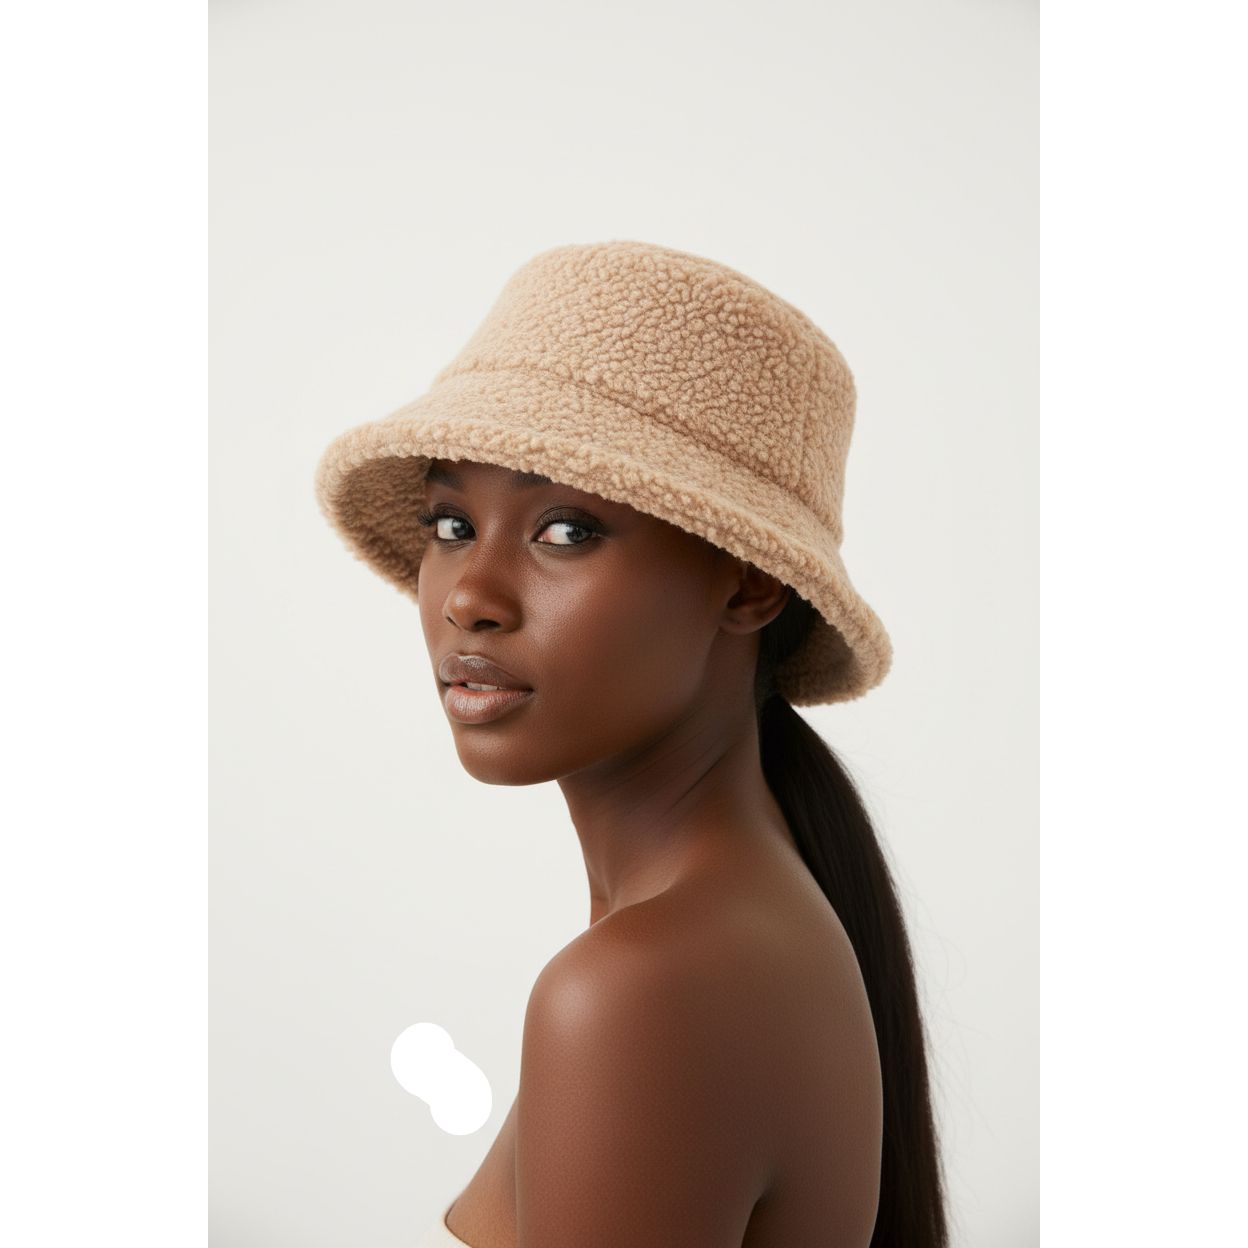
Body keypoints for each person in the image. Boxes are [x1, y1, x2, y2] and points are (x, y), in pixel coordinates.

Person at [315, 240, 949, 1248]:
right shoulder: (744, 926)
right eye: (450, 524)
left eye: (566, 530)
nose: (470, 597)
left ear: (749, 581)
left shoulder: (643, 990)